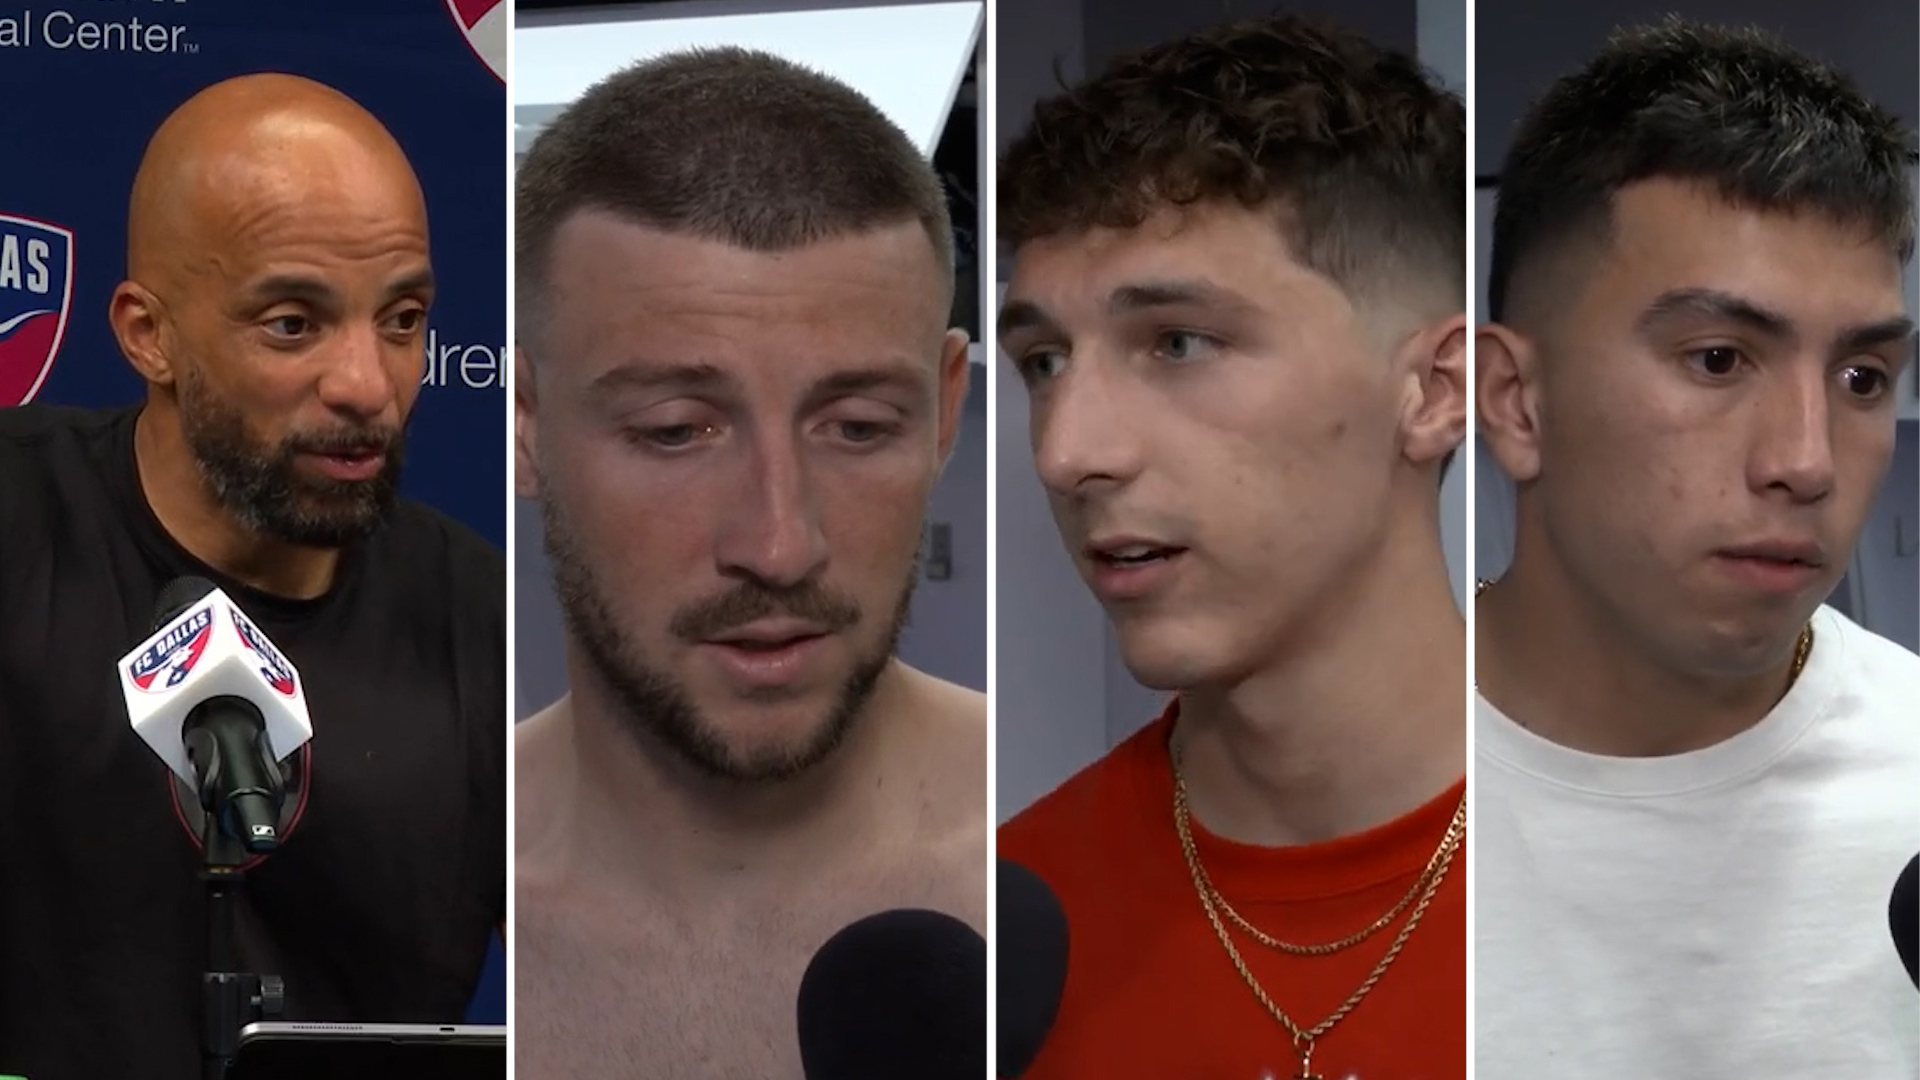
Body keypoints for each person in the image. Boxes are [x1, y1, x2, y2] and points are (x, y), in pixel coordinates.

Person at [0, 74, 505, 1079]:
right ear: (150, 334)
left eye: (402, 319)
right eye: (292, 325)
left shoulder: (487, 624)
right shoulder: (17, 521)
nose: (368, 386)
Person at [995, 16, 1468, 1079]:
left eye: (1178, 342)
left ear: (1435, 392)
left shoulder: (1676, 896)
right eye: (1043, 362)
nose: (1070, 452)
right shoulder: (1000, 943)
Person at [511, 47, 987, 1078]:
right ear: (523, 420)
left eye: (858, 427)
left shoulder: (1080, 866)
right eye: (677, 431)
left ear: (947, 409)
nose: (779, 544)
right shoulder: (418, 902)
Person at [1474, 19, 1920, 1079]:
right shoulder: (1329, 793)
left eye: (1861, 379)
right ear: (1515, 401)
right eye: (1719, 359)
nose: (1806, 461)